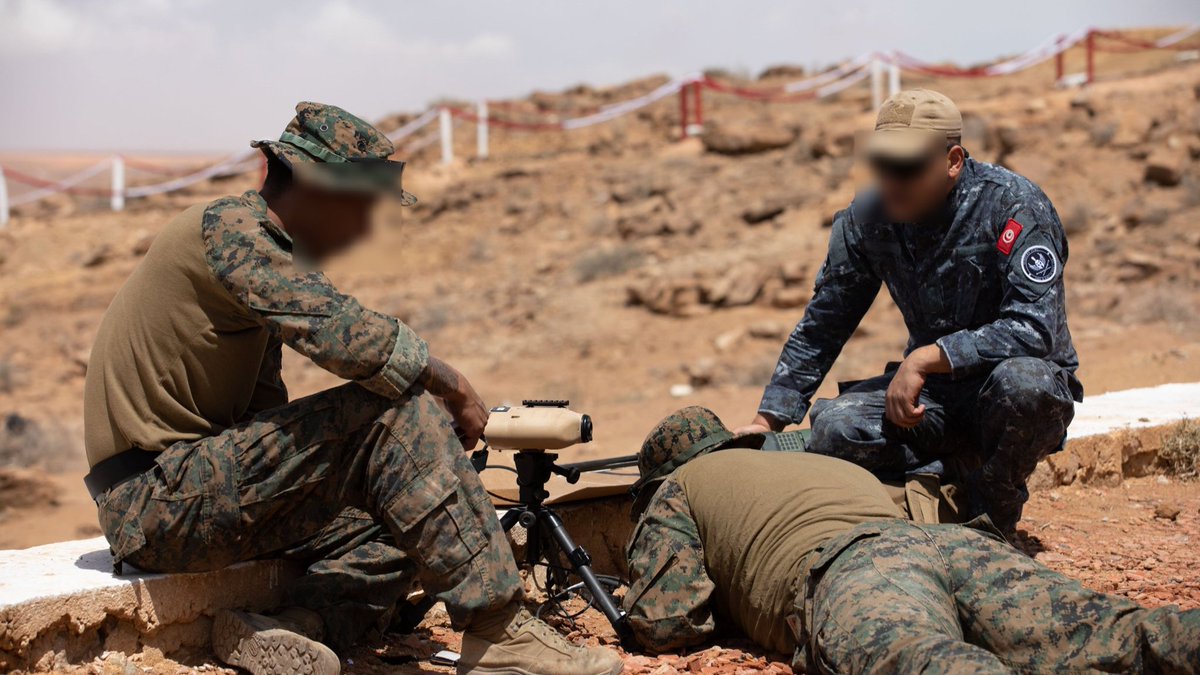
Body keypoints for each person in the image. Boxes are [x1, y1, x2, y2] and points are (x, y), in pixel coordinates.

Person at [83, 102, 623, 675]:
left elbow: (266, 421)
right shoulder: (231, 229)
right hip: (153, 501)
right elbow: (352, 340)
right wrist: (454, 387)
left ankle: (293, 629)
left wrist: (415, 468)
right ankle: (499, 632)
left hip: (189, 493)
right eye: (363, 209)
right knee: (393, 410)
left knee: (406, 516)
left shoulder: (255, 264)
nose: (366, 229)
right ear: (319, 191)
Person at [738, 89, 1082, 535]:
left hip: (1005, 388)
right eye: (883, 165)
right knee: (835, 429)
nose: (892, 181)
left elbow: (1036, 329)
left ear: (952, 160)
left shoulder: (1014, 206)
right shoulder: (869, 217)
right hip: (932, 399)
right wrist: (768, 419)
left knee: (1027, 387)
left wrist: (926, 357)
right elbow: (826, 322)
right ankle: (954, 465)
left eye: (909, 167)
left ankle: (993, 508)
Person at [625, 407, 1200, 673]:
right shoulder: (815, 464)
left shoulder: (681, 485)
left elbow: (668, 622)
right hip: (949, 545)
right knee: (1119, 630)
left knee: (928, 663)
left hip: (854, 571)